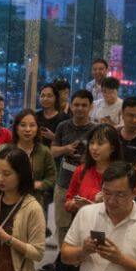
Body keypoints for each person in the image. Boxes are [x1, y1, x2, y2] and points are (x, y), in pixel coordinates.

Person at [50, 89, 96, 250]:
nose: (80, 108)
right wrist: (66, 149)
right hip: (63, 184)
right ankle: (63, 260)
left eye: (84, 105)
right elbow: (53, 151)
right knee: (62, 225)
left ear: (91, 107)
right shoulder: (63, 126)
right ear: (70, 106)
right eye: (76, 104)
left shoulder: (96, 130)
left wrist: (87, 159)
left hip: (86, 188)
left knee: (85, 227)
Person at [64, 124, 122, 213]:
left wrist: (100, 203)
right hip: (84, 223)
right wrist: (75, 203)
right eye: (91, 143)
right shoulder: (81, 170)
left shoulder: (122, 174)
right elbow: (68, 202)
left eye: (100, 143)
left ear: (112, 148)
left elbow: (126, 206)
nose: (94, 148)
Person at [10, 109, 56, 207]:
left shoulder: (44, 151)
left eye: (32, 125)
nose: (28, 129)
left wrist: (38, 185)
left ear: (37, 128)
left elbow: (52, 178)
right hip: (10, 201)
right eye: (23, 125)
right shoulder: (7, 150)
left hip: (35, 202)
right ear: (16, 128)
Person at [35, 83, 68, 148]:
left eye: (49, 96)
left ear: (56, 98)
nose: (45, 99)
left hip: (55, 155)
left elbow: (69, 142)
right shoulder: (35, 116)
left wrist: (54, 137)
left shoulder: (64, 118)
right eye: (42, 96)